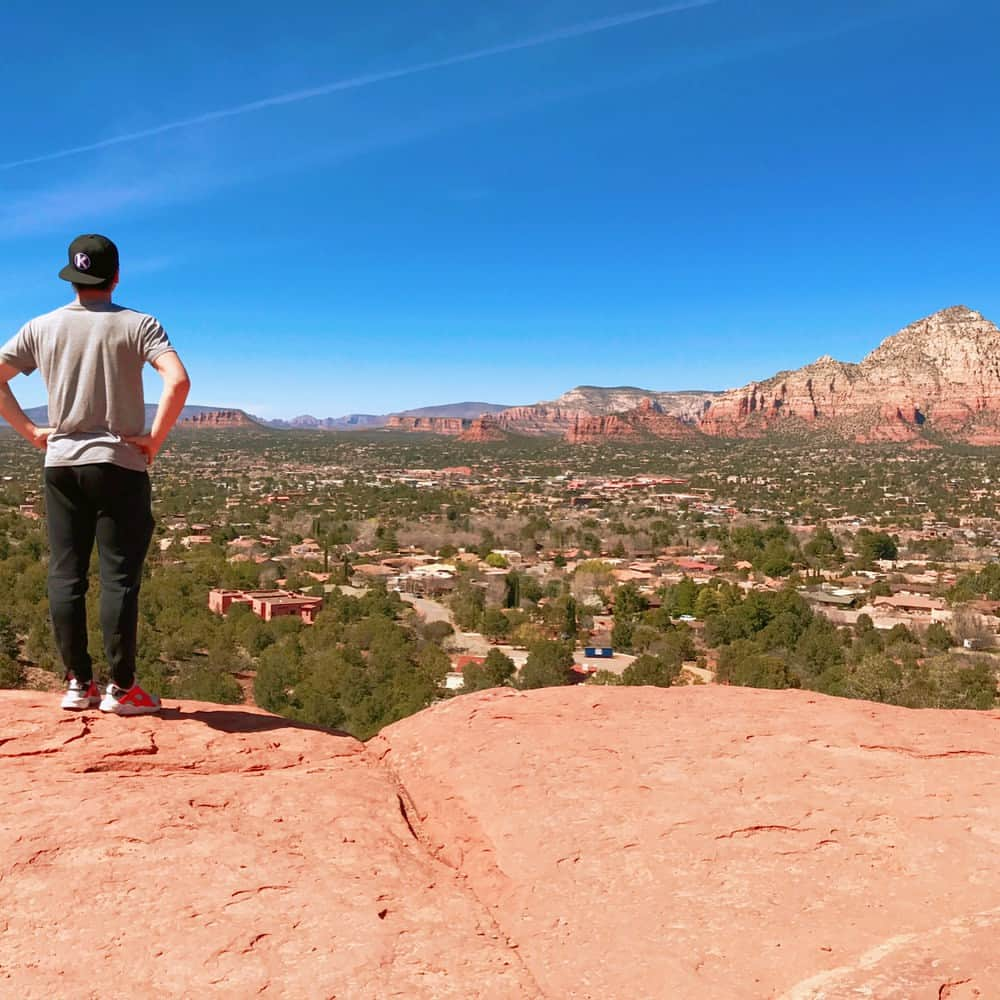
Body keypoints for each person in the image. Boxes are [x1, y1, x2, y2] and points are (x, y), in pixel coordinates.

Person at [0, 234, 190, 715]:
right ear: (116, 276)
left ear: (72, 276)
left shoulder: (41, 327)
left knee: (66, 574)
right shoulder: (139, 324)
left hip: (61, 463)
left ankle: (77, 684)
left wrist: (29, 431)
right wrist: (154, 438)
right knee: (118, 578)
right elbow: (179, 379)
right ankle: (122, 690)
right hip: (119, 464)